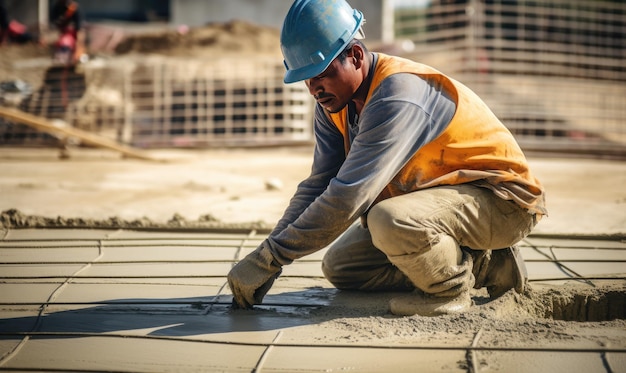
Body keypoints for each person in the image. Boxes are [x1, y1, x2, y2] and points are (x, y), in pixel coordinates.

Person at [227, 0, 547, 316]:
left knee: (388, 220)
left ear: (354, 56)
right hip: (447, 201)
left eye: (322, 73)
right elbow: (318, 186)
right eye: (307, 78)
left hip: (503, 201)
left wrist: (270, 259)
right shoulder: (333, 104)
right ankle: (490, 264)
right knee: (343, 267)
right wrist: (266, 253)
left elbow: (347, 197)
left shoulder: (396, 94)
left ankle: (449, 290)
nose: (314, 88)